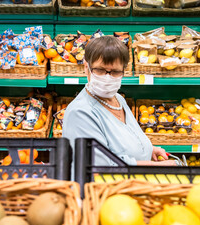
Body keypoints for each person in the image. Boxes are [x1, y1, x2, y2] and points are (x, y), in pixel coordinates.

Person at [63, 36, 176, 168]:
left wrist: (148, 150)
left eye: (115, 72)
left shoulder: (118, 99)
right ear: (86, 67)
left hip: (133, 185)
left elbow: (122, 143)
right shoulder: (80, 113)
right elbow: (100, 168)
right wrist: (159, 167)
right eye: (100, 70)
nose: (107, 77)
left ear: (124, 71)